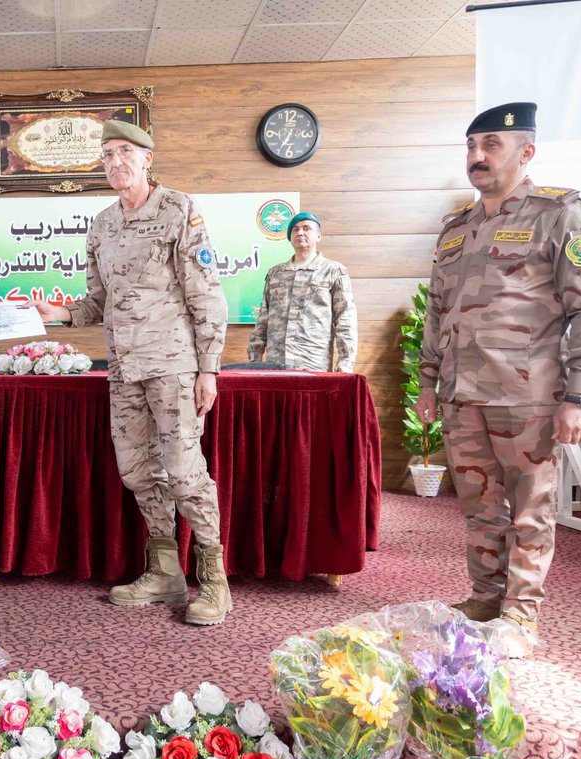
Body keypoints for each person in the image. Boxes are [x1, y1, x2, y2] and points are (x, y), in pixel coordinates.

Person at [415, 102, 581, 656]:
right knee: (479, 505)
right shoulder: (457, 230)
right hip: (462, 393)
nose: (477, 157)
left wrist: (578, 394)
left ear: (526, 153)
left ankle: (521, 615)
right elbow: (437, 311)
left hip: (528, 395)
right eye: (472, 147)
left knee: (530, 506)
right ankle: (485, 595)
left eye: (491, 146)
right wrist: (428, 383)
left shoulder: (560, 214)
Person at [32, 119, 231, 625]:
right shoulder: (101, 224)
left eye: (125, 152)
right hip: (123, 370)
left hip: (173, 367)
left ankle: (214, 580)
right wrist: (61, 315)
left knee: (186, 473)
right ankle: (165, 571)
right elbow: (97, 300)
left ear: (147, 158)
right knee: (139, 472)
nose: (115, 162)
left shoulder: (180, 210)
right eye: (107, 155)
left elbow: (205, 293)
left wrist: (208, 368)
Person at [246, 211, 357, 371]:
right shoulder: (276, 273)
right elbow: (263, 318)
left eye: (307, 228)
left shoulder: (333, 271)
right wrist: (254, 357)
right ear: (290, 237)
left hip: (313, 362)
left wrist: (346, 361)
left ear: (319, 235)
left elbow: (345, 318)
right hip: (276, 363)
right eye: (295, 229)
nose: (300, 232)